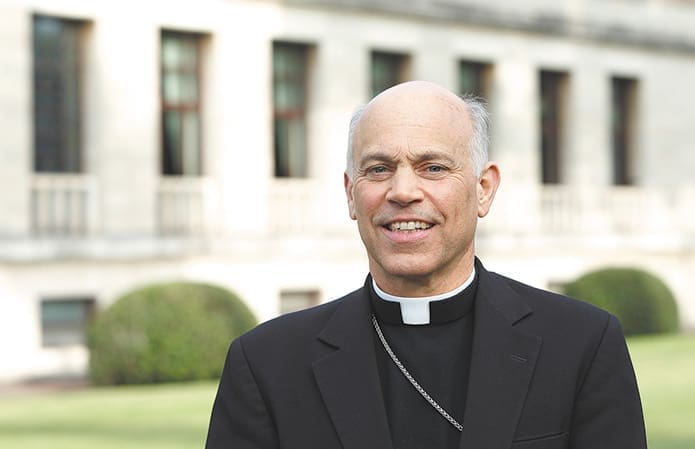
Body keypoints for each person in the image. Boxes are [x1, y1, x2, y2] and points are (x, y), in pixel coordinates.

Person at [205, 81, 647, 449]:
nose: (402, 191)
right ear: (350, 193)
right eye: (378, 169)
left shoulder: (581, 346)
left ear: (484, 189)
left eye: (432, 167)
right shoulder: (266, 364)